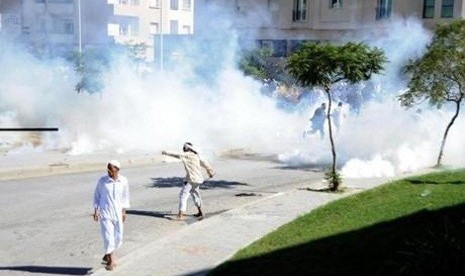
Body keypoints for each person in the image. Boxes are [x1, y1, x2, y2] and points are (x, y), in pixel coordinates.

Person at [92, 160, 130, 271]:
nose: (108, 171)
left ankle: (108, 253)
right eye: (107, 168)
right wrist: (96, 210)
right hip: (105, 213)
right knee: (108, 237)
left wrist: (124, 211)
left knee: (118, 237)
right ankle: (111, 260)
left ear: (117, 170)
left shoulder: (123, 181)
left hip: (118, 213)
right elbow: (97, 196)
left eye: (111, 169)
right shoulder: (102, 181)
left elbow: (125, 197)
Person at [162, 142, 215, 220]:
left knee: (183, 196)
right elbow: (206, 164)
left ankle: (180, 216)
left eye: (184, 147)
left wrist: (165, 152)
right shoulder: (196, 156)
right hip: (198, 180)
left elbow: (177, 154)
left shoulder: (187, 155)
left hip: (191, 180)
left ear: (187, 148)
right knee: (196, 195)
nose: (183, 149)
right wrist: (210, 172)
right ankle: (201, 212)